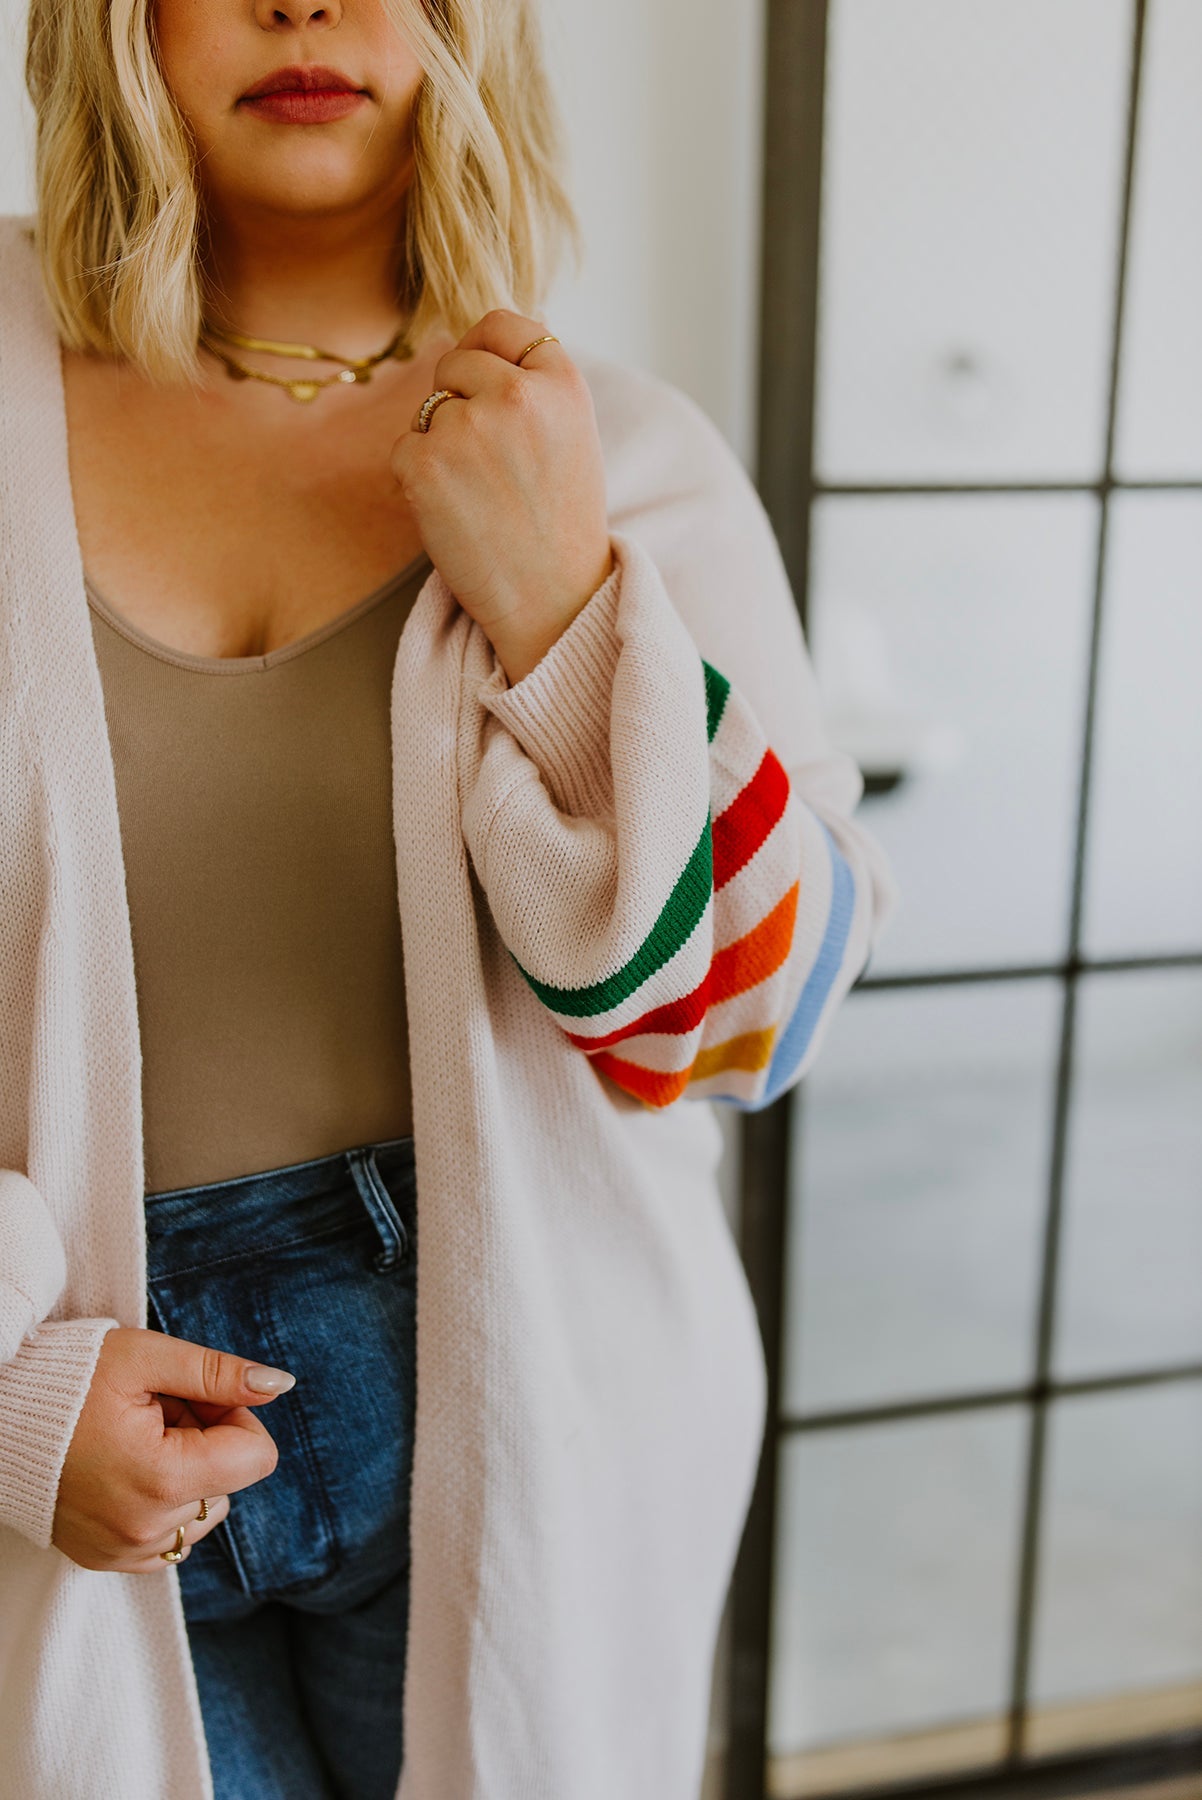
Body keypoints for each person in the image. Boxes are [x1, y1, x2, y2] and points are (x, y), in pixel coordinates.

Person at [0, 0, 899, 1795]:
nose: (305, 7)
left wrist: (565, 601)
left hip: (532, 1396)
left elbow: (745, 1029)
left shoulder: (618, 458)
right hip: (59, 1375)